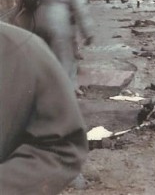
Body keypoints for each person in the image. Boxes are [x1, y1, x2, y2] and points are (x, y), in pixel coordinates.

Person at [0, 21, 89, 194]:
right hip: (59, 24)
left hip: (51, 25)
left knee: (65, 63)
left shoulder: (22, 51)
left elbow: (62, 146)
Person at [31, 0, 94, 91]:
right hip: (59, 22)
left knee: (45, 59)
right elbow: (80, 7)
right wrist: (88, 32)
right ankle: (66, 96)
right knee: (66, 60)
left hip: (38, 18)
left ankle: (43, 91)